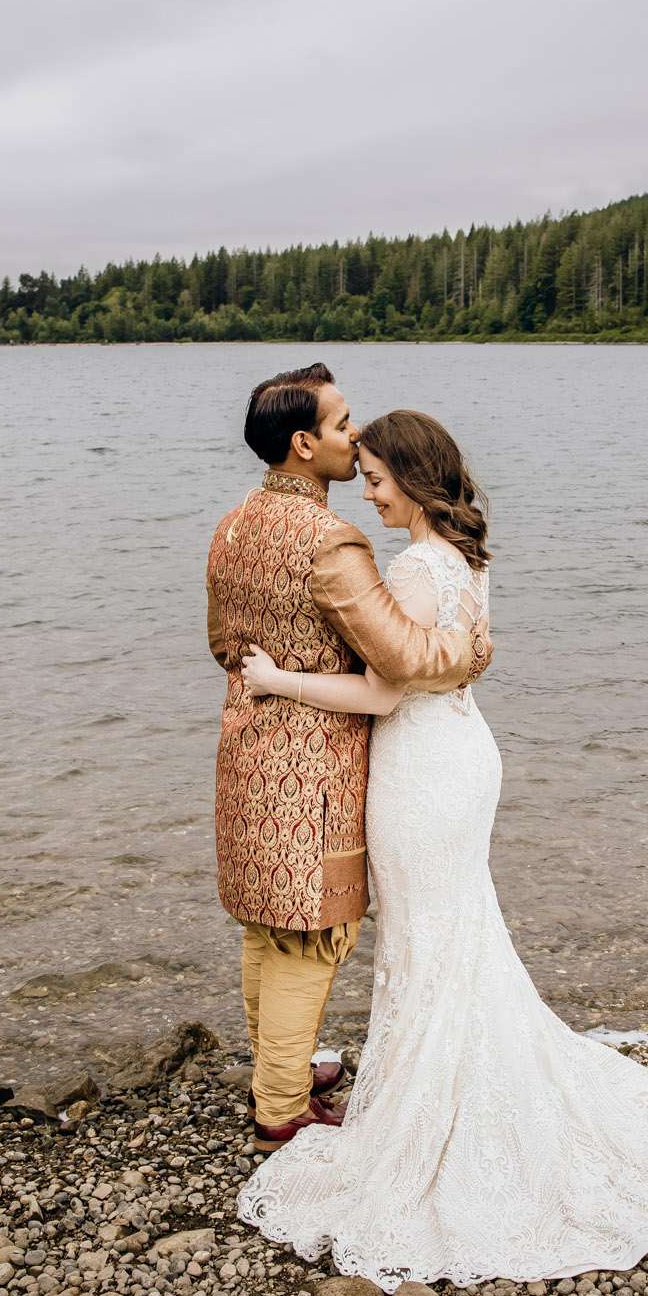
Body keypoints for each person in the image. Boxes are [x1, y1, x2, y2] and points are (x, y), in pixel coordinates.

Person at [233, 409, 648, 1288]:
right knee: (453, 934)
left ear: (417, 478)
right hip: (460, 756)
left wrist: (277, 679)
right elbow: (452, 659)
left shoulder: (413, 566)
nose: (370, 491)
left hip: (424, 771)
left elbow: (384, 693)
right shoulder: (463, 557)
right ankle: (442, 1086)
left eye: (381, 479)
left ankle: (438, 1116)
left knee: (430, 941)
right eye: (363, 474)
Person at [205, 363, 491, 1153]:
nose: (356, 437)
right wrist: (466, 652)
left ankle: (279, 1068)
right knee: (309, 934)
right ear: (303, 444)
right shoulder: (332, 543)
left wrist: (271, 678)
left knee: (267, 926)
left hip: (245, 751)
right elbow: (400, 656)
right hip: (316, 770)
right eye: (341, 425)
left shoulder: (232, 525)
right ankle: (281, 1109)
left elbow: (221, 645)